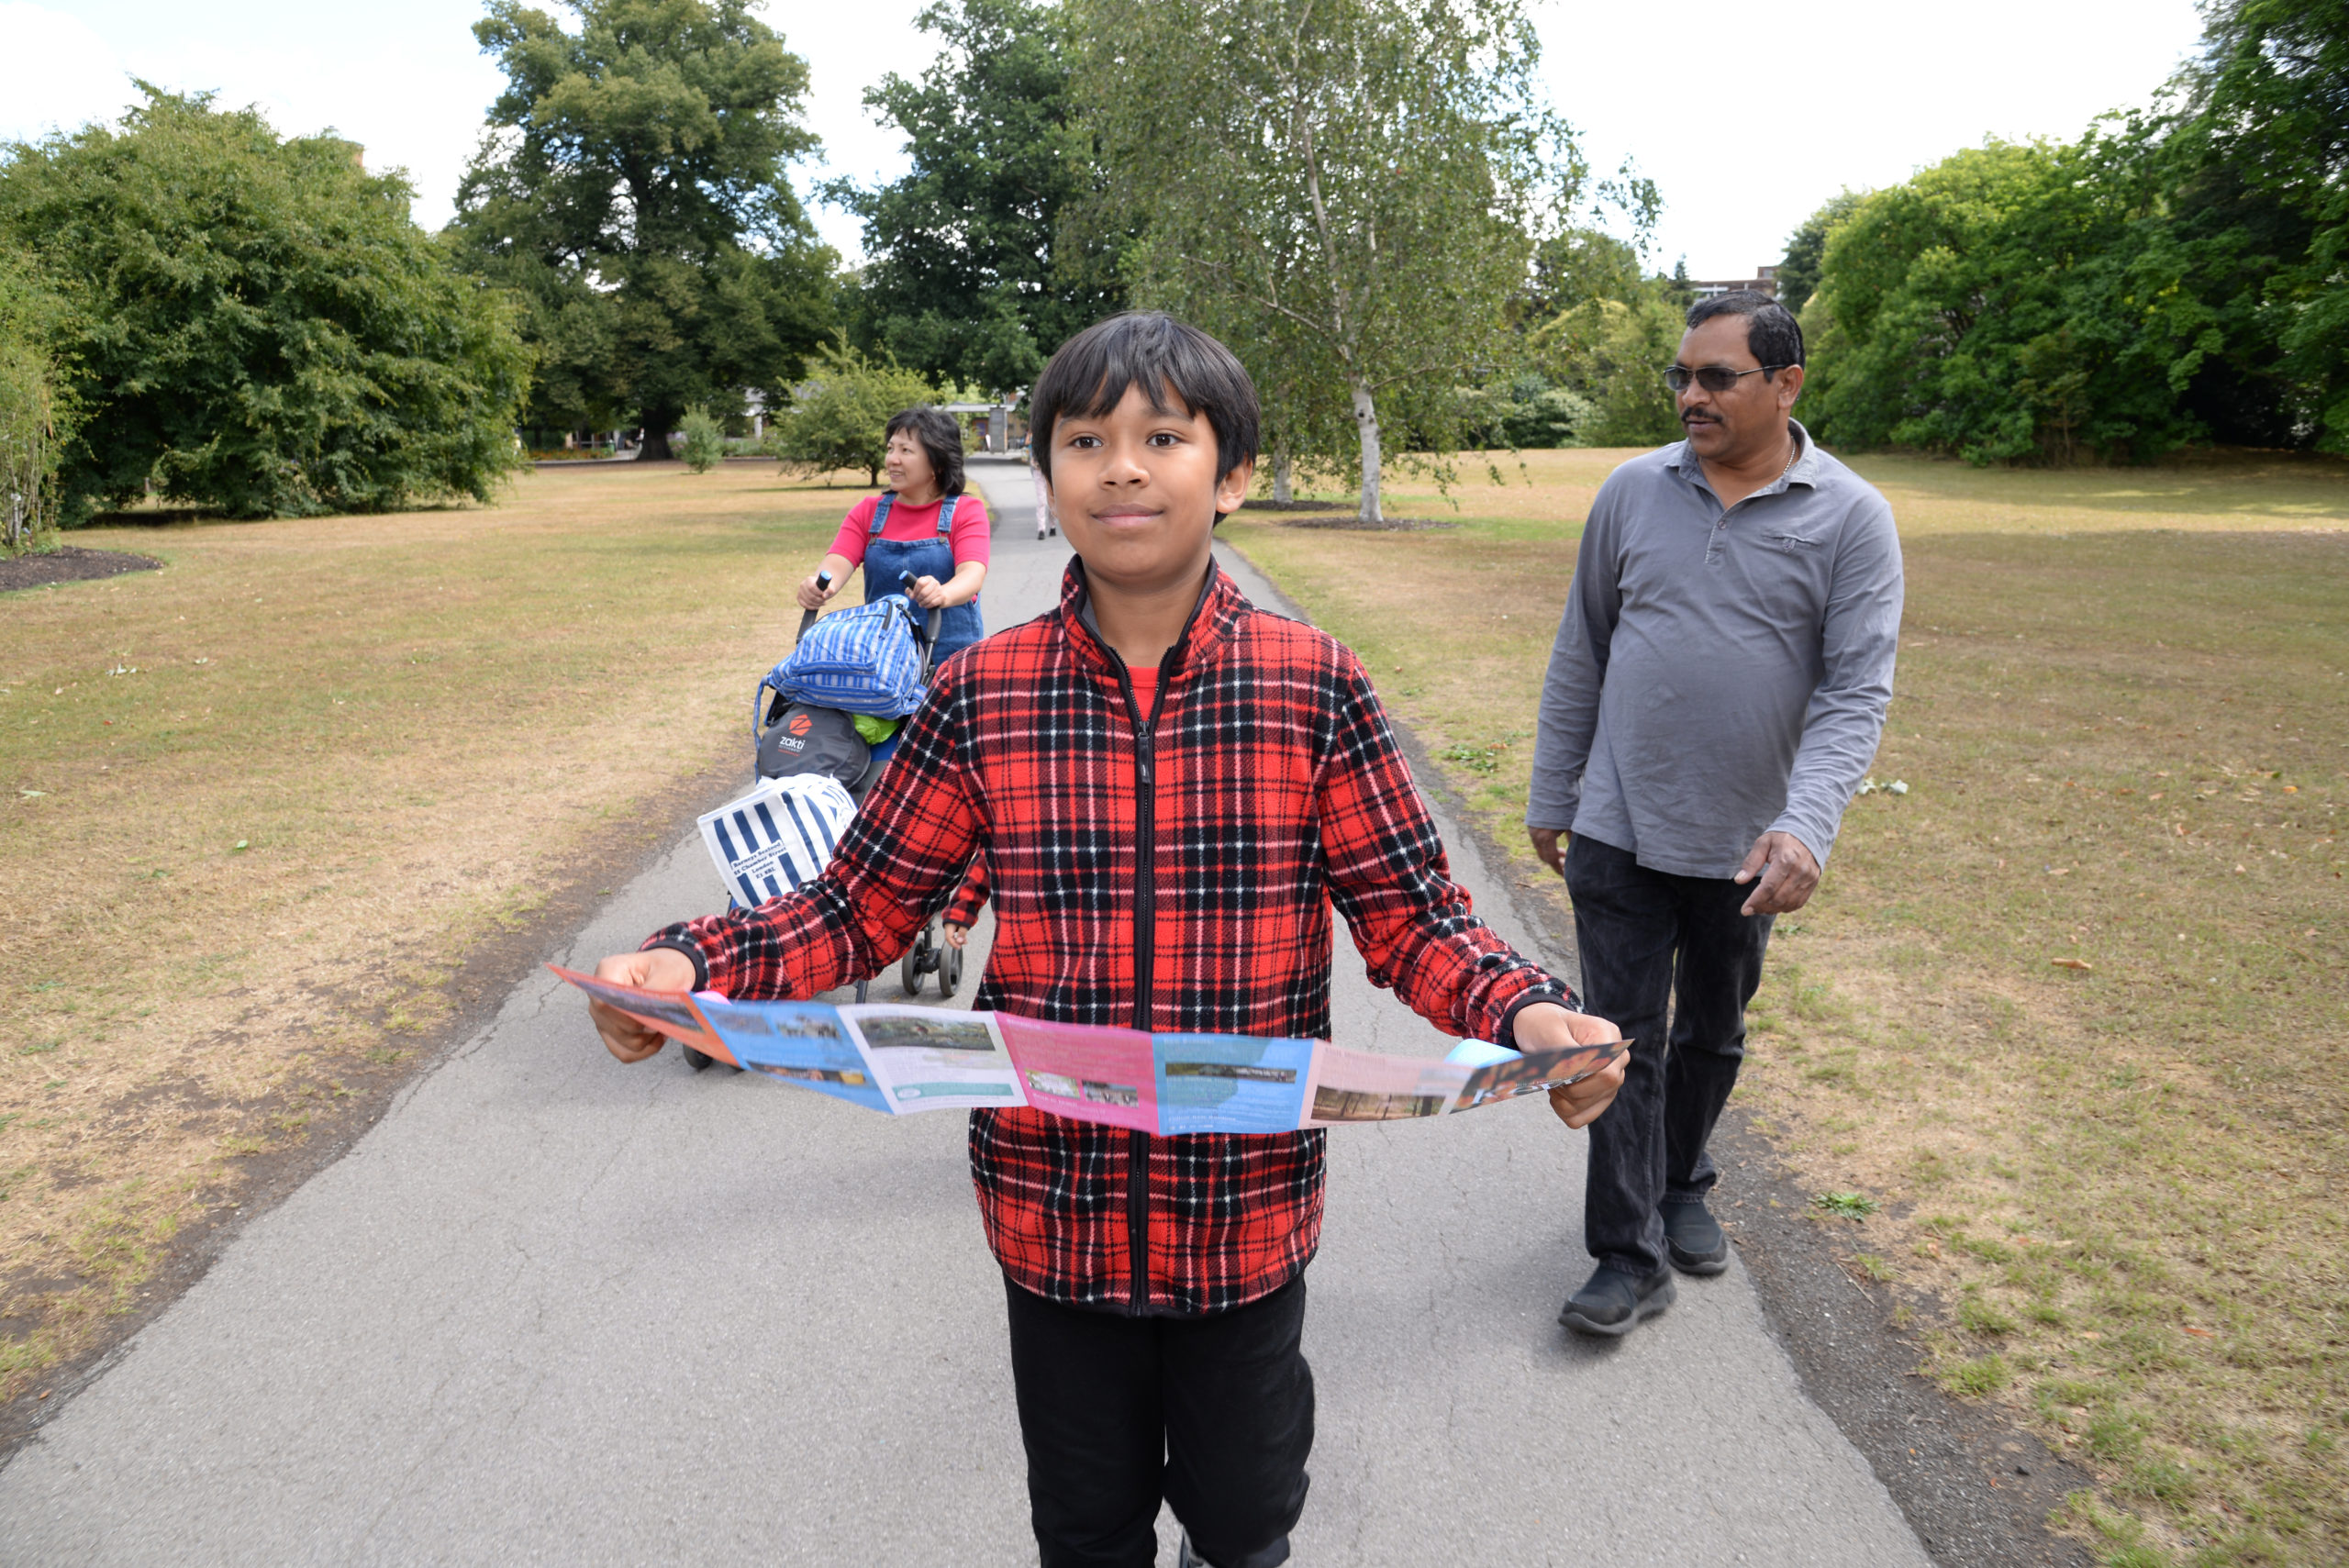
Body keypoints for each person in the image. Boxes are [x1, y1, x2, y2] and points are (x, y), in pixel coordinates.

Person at [589, 311, 1628, 1568]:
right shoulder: (983, 693)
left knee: (1245, 1524)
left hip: (1243, 1211)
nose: (1122, 466)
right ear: (1047, 478)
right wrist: (690, 963)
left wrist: (1527, 1011)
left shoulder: (1312, 685)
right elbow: (859, 905)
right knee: (1084, 1532)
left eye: (1163, 437)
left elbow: (1413, 916)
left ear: (1231, 475)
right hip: (1051, 1210)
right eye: (1085, 440)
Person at [1525, 289, 1903, 1339]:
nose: (1690, 395)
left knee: (1711, 1031)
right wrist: (1555, 790)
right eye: (1680, 376)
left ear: (1786, 383)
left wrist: (1807, 824)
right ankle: (1626, 1251)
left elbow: (1855, 690)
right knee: (1617, 1038)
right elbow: (1581, 647)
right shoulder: (1630, 491)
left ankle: (1681, 1179)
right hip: (1617, 821)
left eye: (1715, 377)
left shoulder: (1852, 517)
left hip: (1746, 842)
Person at [797, 405, 991, 664]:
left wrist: (942, 593)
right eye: (890, 448)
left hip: (952, 664)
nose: (892, 459)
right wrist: (818, 587)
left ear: (937, 462)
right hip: (882, 664)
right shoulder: (867, 512)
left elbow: (972, 575)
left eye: (905, 450)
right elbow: (834, 566)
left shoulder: (966, 511)